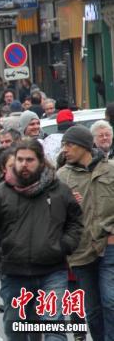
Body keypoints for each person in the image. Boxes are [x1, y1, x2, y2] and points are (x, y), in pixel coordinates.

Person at [0, 139, 83, 341]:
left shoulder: (59, 190)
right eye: (20, 160)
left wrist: (66, 245)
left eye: (30, 160)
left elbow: (75, 221)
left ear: (41, 161)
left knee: (54, 326)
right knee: (15, 327)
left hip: (52, 270)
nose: (24, 164)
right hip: (14, 272)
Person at [57, 125, 114, 340]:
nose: (65, 150)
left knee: (110, 301)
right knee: (92, 310)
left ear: (83, 146)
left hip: (108, 246)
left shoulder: (110, 170)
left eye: (69, 145)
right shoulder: (61, 176)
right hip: (80, 251)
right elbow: (54, 214)